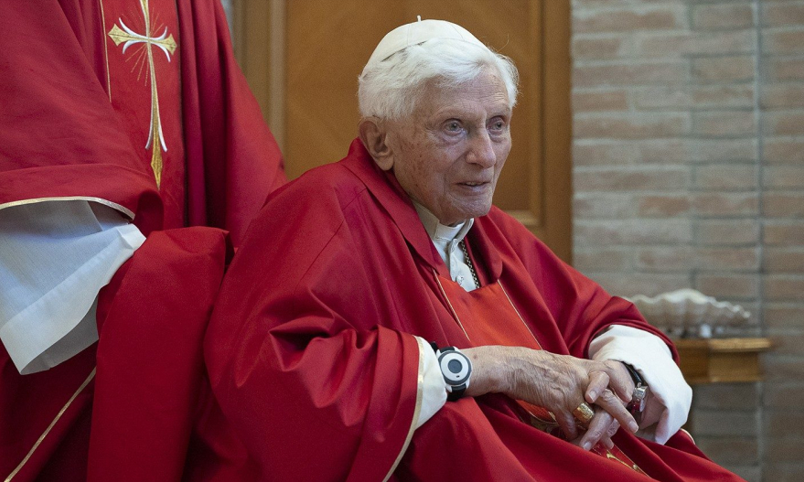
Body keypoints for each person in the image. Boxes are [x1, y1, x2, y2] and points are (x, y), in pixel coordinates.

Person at [205, 19, 743, 481]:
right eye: (454, 127)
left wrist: (622, 378)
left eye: (497, 125)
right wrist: (492, 367)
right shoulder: (322, 209)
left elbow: (603, 319)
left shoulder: (483, 228)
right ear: (380, 142)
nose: (485, 155)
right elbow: (270, 374)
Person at [0, 0, 285, 479]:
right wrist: (168, 287)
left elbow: (245, 160)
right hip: (95, 314)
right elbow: (32, 132)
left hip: (171, 294)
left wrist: (282, 262)